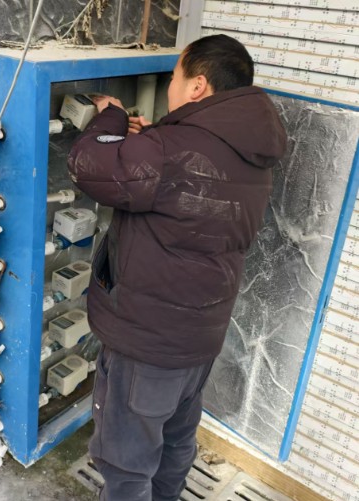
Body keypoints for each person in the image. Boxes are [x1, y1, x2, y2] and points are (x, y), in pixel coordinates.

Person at [67, 34, 287, 501]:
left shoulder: (169, 152)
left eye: (174, 76)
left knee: (126, 465)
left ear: (197, 85)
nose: (170, 86)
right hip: (200, 337)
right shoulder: (251, 149)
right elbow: (192, 181)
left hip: (148, 343)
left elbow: (89, 164)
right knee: (174, 441)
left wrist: (111, 116)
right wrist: (153, 141)